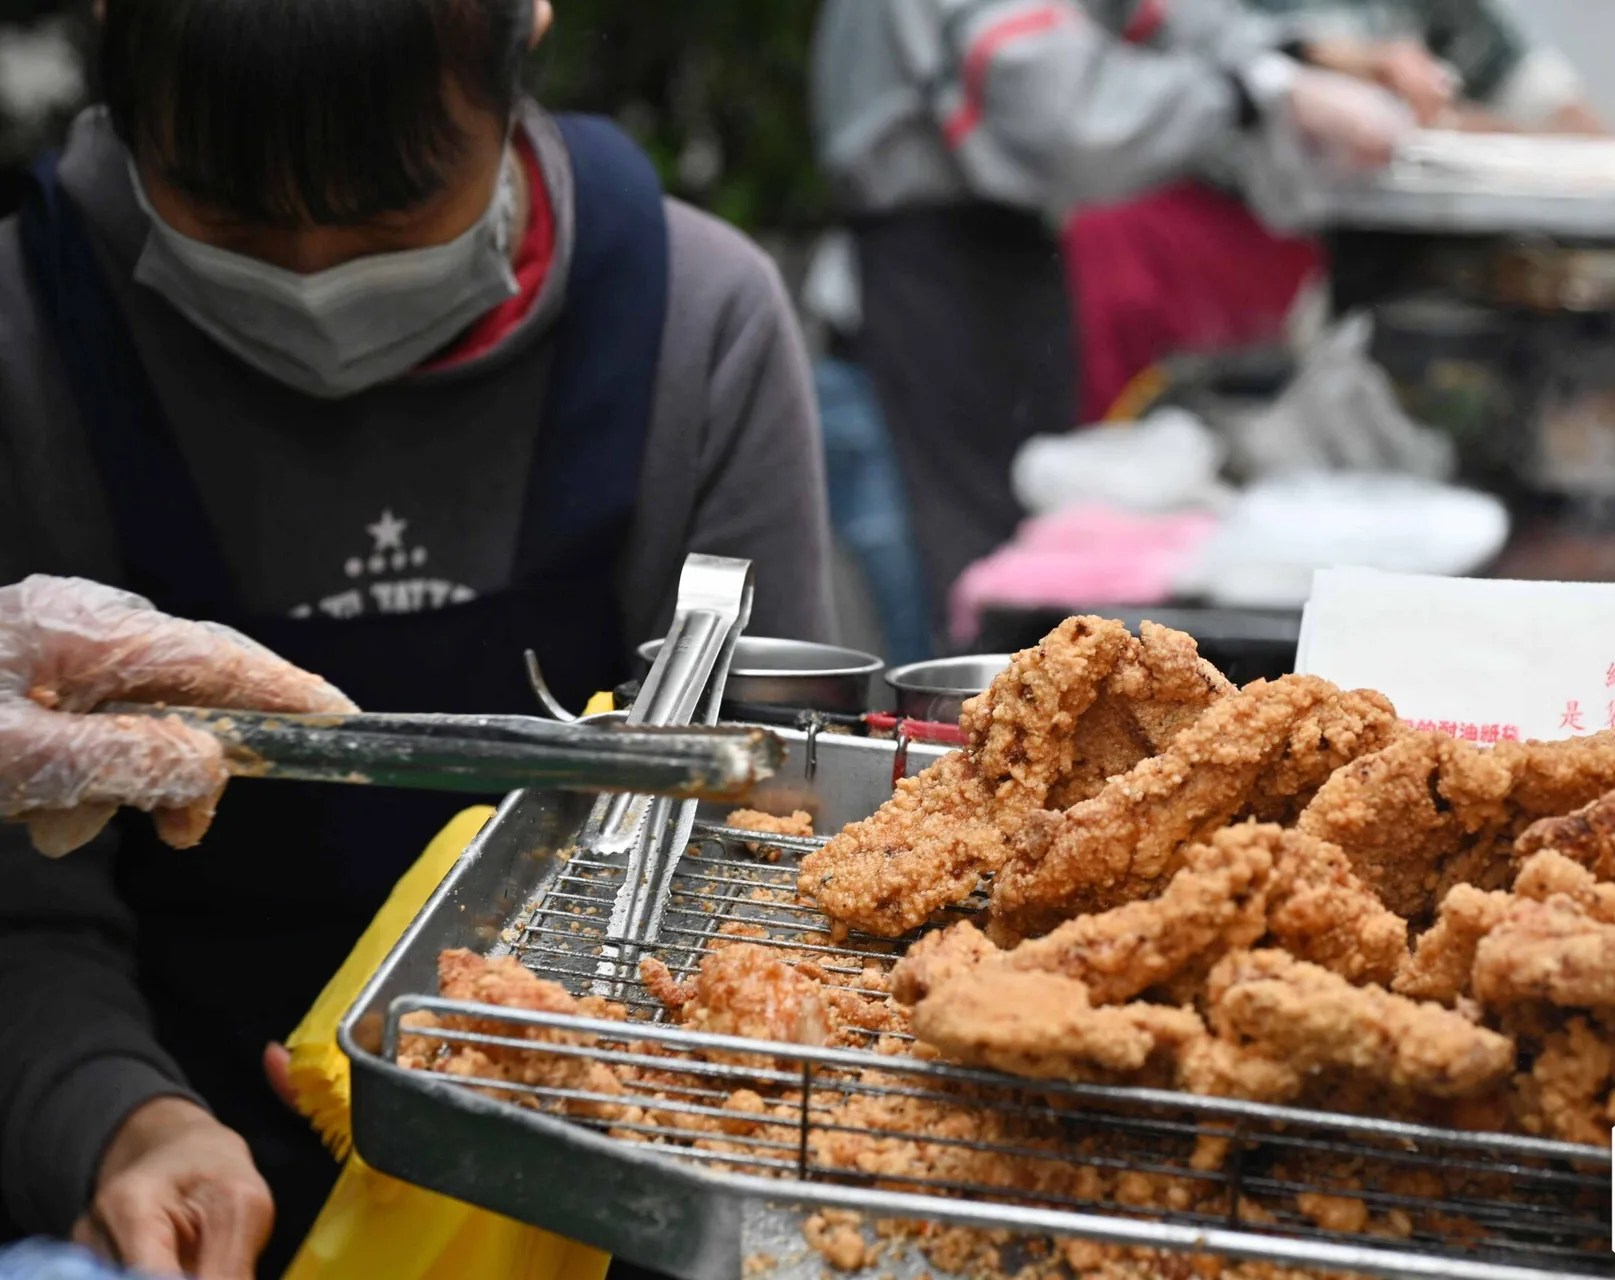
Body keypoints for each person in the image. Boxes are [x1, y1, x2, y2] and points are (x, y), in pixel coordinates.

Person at [0, 1, 833, 1275]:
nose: (314, 270)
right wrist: (117, 1119)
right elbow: (25, 906)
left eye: (389, 216)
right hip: (176, 1170)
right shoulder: (30, 340)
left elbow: (767, 852)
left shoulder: (694, 319)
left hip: (599, 1169)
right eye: (232, 216)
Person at [811, 0, 1411, 629]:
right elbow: (1062, 114)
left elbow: (1154, 15)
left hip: (1003, 276)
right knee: (947, 650)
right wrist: (1264, 89)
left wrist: (1315, 55)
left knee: (1011, 601)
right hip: (914, 300)